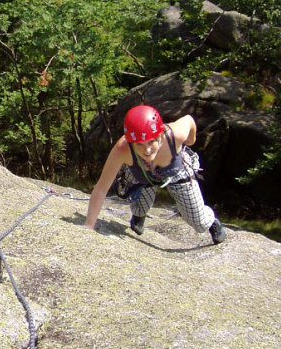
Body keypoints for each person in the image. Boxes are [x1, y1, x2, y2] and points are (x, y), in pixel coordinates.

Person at [83, 104, 226, 244]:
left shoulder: (175, 134)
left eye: (151, 142)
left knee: (198, 222)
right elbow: (102, 188)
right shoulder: (123, 149)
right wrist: (89, 225)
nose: (147, 150)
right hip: (141, 173)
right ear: (130, 142)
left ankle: (211, 222)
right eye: (139, 144)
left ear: (161, 134)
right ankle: (139, 215)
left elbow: (189, 119)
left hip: (177, 170)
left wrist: (191, 140)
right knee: (140, 207)